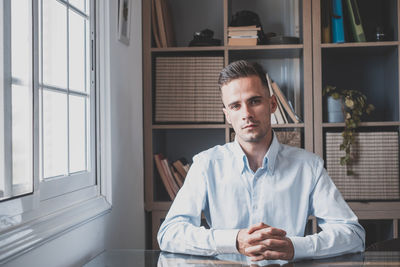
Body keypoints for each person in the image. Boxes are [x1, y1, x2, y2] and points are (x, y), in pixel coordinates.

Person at [157, 60, 365, 261]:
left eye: (254, 101)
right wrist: (234, 241)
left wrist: (296, 247)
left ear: (272, 104)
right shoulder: (205, 164)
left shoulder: (308, 167)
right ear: (227, 115)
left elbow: (353, 234)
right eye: (235, 106)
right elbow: (169, 234)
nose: (246, 114)